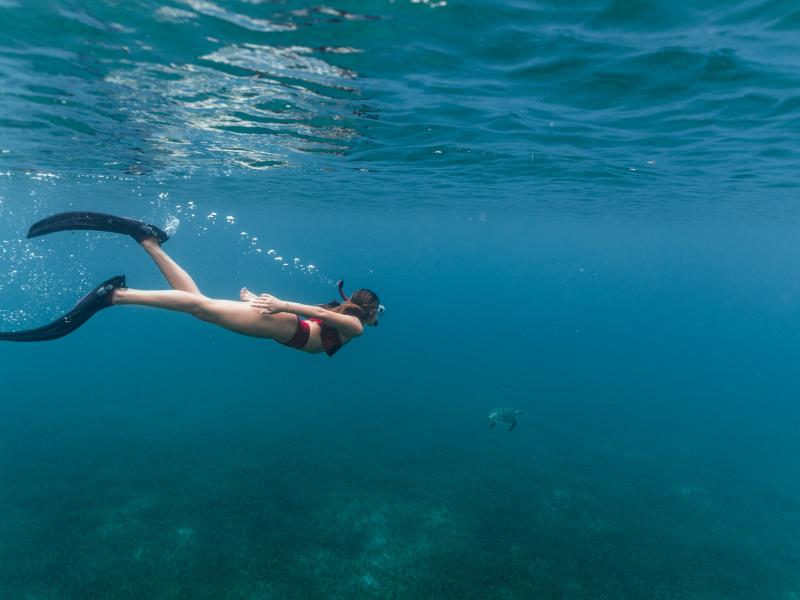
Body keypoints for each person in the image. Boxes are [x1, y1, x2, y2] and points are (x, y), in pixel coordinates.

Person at [0, 212, 383, 356]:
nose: (376, 318)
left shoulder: (346, 319)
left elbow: (318, 314)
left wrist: (262, 302)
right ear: (368, 312)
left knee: (198, 303)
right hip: (286, 326)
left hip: (287, 327)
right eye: (377, 312)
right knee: (199, 308)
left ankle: (148, 239)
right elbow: (316, 313)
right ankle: (114, 295)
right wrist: (282, 305)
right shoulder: (356, 328)